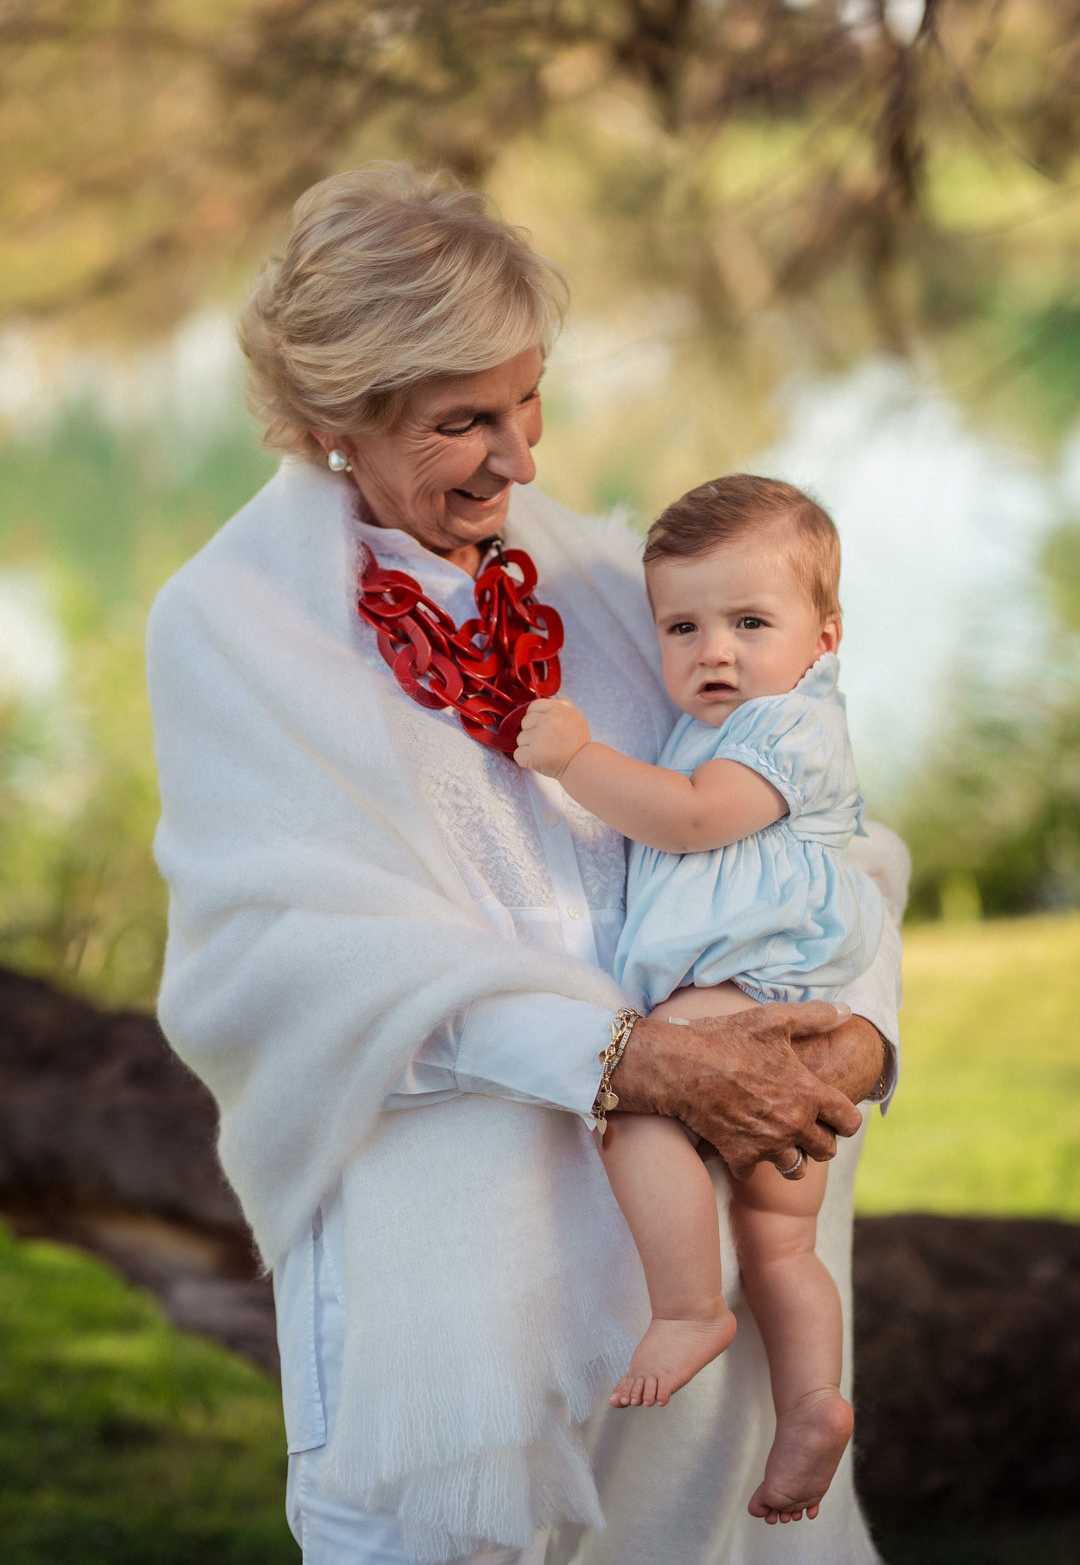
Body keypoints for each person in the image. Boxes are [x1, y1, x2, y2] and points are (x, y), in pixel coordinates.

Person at [146, 162, 906, 1565]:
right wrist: (630, 1059)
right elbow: (278, 962)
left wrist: (856, 1042)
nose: (522, 458)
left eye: (527, 397)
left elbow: (828, 838)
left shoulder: (624, 583)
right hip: (455, 1297)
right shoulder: (230, 629)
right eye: (462, 422)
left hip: (701, 1271)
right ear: (333, 421)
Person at [514, 473, 884, 1526]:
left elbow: (686, 821)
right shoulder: (736, 719)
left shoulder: (783, 729)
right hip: (789, 1015)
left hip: (740, 997)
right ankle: (813, 1401)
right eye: (683, 625)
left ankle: (684, 1309)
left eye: (748, 622)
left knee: (633, 1106)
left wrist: (578, 759)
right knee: (779, 1243)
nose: (712, 650)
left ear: (825, 635)